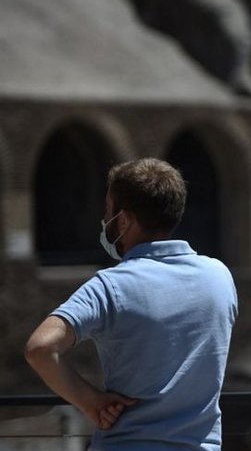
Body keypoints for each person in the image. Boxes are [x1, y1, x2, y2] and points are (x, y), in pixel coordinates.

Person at [25, 158, 238, 450]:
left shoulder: (110, 286)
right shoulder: (220, 277)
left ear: (123, 220)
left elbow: (40, 348)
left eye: (108, 213)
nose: (106, 222)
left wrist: (90, 402)